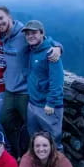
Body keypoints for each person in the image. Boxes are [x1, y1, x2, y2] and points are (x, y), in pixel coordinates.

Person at [0, 7, 62, 158]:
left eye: (1, 18)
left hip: (25, 91)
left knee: (33, 131)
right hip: (10, 89)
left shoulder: (23, 34)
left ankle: (34, 159)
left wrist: (57, 47)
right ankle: (17, 154)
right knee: (5, 120)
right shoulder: (2, 36)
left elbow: (44, 40)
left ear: (9, 18)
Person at [23, 20, 65, 150]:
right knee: (35, 141)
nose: (30, 36)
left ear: (42, 33)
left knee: (53, 142)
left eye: (34, 33)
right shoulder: (31, 50)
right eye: (28, 33)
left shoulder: (51, 53)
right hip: (33, 103)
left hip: (48, 107)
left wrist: (51, 102)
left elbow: (57, 80)